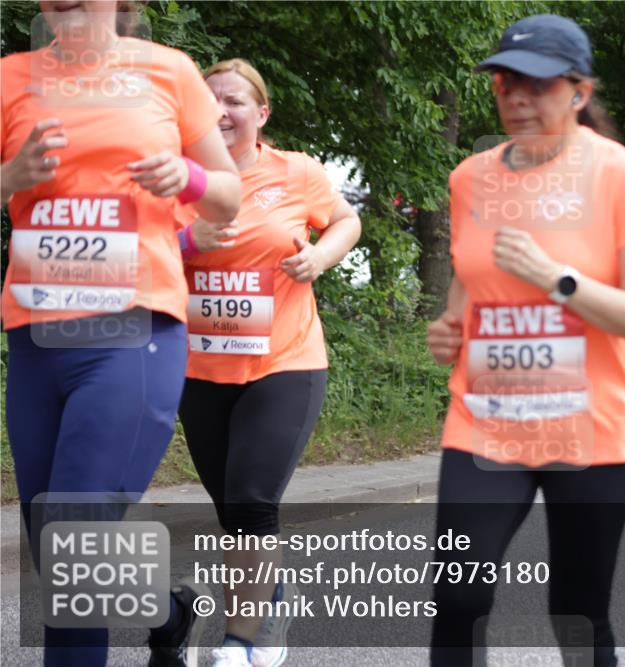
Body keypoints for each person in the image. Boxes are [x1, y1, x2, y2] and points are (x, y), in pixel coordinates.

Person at [425, 14, 625, 667]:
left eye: (536, 84)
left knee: (577, 611)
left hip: (593, 431)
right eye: (505, 82)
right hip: (487, 424)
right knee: (457, 596)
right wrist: (453, 326)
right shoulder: (470, 177)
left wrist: (556, 278)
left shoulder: (620, 174)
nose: (516, 97)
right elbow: (469, 271)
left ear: (579, 92)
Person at [1, 2, 241, 666]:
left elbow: (229, 192)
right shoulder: (10, 76)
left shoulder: (169, 71)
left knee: (73, 541)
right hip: (36, 339)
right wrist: (11, 178)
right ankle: (167, 611)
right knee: (59, 549)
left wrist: (186, 176)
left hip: (135, 331)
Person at [167, 58, 361, 667]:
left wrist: (321, 258)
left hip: (285, 362)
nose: (220, 112)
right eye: (209, 102)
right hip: (200, 370)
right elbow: (142, 253)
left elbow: (347, 220)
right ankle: (269, 600)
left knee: (253, 500)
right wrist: (184, 243)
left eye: (234, 101)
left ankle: (241, 641)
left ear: (262, 113)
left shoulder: (297, 171)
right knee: (232, 510)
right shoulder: (178, 179)